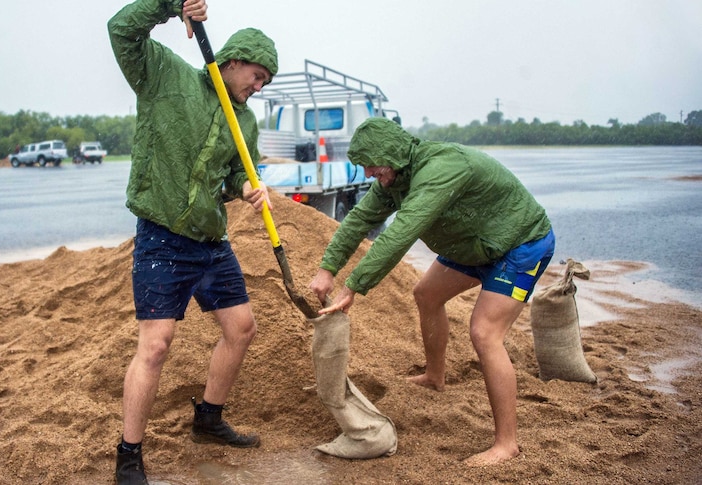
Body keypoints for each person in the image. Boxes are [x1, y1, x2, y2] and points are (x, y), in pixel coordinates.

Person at [309, 117, 555, 466]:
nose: (367, 174)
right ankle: (435, 376)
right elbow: (359, 221)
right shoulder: (396, 178)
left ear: (391, 155)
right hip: (472, 245)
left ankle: (507, 444)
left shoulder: (441, 168)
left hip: (520, 243)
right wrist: (327, 269)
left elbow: (402, 231)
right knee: (426, 294)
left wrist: (354, 286)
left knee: (485, 333)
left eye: (370, 165)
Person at [107, 0, 278, 483]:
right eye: (257, 75)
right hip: (162, 238)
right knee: (156, 346)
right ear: (234, 58)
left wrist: (245, 188)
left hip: (212, 240)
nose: (259, 86)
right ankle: (129, 454)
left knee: (241, 327)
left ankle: (208, 418)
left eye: (266, 81)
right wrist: (167, 6)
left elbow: (230, 176)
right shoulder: (166, 75)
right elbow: (121, 30)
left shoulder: (244, 121)